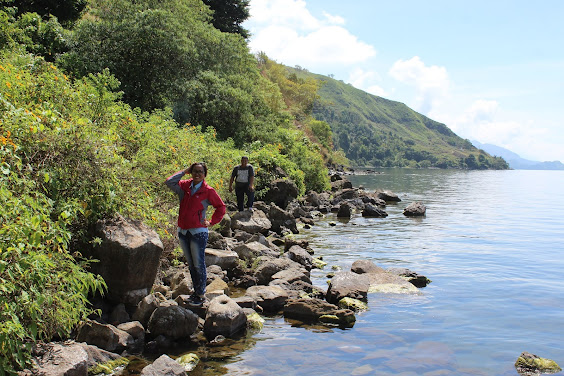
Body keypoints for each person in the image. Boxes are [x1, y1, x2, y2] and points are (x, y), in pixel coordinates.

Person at [165, 162, 226, 306]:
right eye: (194, 171)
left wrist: (211, 222)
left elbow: (220, 207)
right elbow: (169, 182)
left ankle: (200, 295)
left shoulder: (208, 191)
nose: (197, 174)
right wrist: (184, 171)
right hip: (183, 230)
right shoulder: (185, 186)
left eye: (200, 172)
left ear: (205, 175)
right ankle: (195, 293)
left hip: (198, 232)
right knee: (191, 265)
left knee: (199, 264)